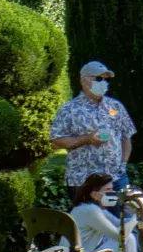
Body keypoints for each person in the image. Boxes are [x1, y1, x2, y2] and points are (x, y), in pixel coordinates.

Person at [50, 60, 136, 190]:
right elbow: (56, 142)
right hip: (83, 180)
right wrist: (87, 139)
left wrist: (122, 164)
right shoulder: (69, 109)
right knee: (88, 211)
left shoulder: (115, 106)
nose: (104, 83)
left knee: (117, 211)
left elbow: (126, 137)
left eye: (106, 80)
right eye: (99, 78)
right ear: (84, 81)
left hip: (115, 178)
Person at [69, 174, 143, 252]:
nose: (112, 193)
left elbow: (118, 223)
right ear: (94, 193)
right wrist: (136, 217)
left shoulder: (89, 207)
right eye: (107, 189)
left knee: (128, 237)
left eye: (112, 189)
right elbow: (120, 236)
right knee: (127, 238)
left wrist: (135, 213)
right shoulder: (91, 211)